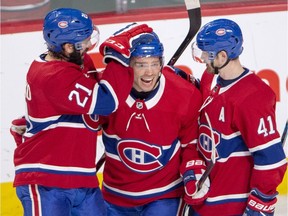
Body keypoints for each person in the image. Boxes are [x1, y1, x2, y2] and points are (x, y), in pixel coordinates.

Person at [11, 8, 153, 216]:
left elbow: (99, 107)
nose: (89, 45)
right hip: (45, 179)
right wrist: (117, 54)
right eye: (84, 42)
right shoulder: (51, 76)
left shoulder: (78, 62)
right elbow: (106, 101)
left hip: (82, 179)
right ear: (67, 47)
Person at [97, 25, 209, 216]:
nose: (149, 72)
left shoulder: (184, 94)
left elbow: (191, 145)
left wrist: (193, 172)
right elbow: (78, 127)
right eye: (141, 64)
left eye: (154, 63)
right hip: (116, 196)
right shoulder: (108, 92)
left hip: (164, 195)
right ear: (128, 65)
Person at [188, 18, 287, 215]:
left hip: (231, 206)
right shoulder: (215, 80)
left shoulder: (252, 96)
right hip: (205, 201)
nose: (202, 59)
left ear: (222, 56)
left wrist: (260, 203)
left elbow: (271, 159)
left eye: (206, 55)